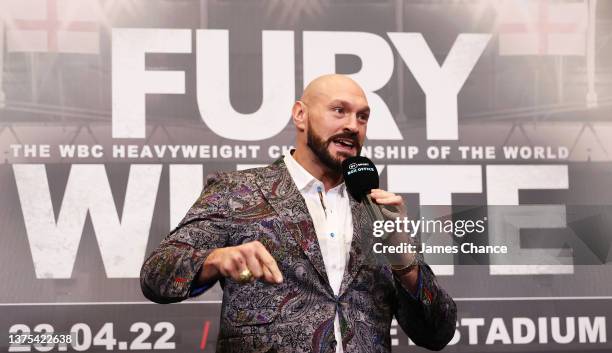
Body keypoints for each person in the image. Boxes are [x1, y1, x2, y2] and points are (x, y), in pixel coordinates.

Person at [140, 74, 457, 353]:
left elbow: (437, 332)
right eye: (339, 110)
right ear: (300, 115)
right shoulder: (238, 190)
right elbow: (156, 275)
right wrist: (215, 260)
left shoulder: (376, 209)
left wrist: (406, 265)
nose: (352, 125)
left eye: (363, 117)